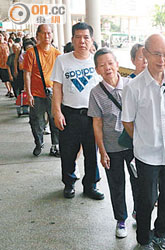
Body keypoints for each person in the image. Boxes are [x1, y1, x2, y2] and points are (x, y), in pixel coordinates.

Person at [121, 34, 165, 250]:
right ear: (145, 54)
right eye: (156, 54)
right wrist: (143, 139)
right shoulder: (133, 86)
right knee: (146, 200)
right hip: (146, 154)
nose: (162, 60)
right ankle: (144, 239)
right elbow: (128, 122)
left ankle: (162, 233)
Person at [88, 48, 139, 238]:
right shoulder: (96, 93)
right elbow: (97, 124)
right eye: (102, 65)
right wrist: (102, 151)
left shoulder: (132, 85)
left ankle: (139, 213)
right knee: (116, 185)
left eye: (110, 63)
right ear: (97, 70)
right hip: (112, 147)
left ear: (117, 64)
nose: (107, 68)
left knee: (138, 182)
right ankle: (121, 220)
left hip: (134, 145)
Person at [51, 22, 103, 200]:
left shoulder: (97, 61)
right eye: (78, 37)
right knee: (68, 152)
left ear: (92, 40)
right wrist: (57, 112)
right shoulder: (62, 60)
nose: (82, 41)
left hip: (92, 117)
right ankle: (69, 183)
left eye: (86, 37)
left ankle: (91, 185)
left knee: (91, 153)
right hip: (70, 114)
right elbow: (57, 87)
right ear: (72, 39)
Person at [22, 24, 61, 157]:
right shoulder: (31, 53)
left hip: (53, 94)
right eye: (43, 33)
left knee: (54, 120)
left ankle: (55, 146)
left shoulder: (57, 54)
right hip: (37, 94)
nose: (47, 36)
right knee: (36, 121)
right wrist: (29, 93)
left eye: (49, 33)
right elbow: (26, 74)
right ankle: (39, 143)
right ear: (37, 36)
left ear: (52, 35)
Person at [0, 32, 14, 97]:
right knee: (5, 79)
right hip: (1, 65)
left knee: (10, 78)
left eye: (1, 36)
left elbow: (13, 51)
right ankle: (9, 90)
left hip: (9, 63)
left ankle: (11, 90)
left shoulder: (8, 44)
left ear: (3, 37)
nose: (0, 37)